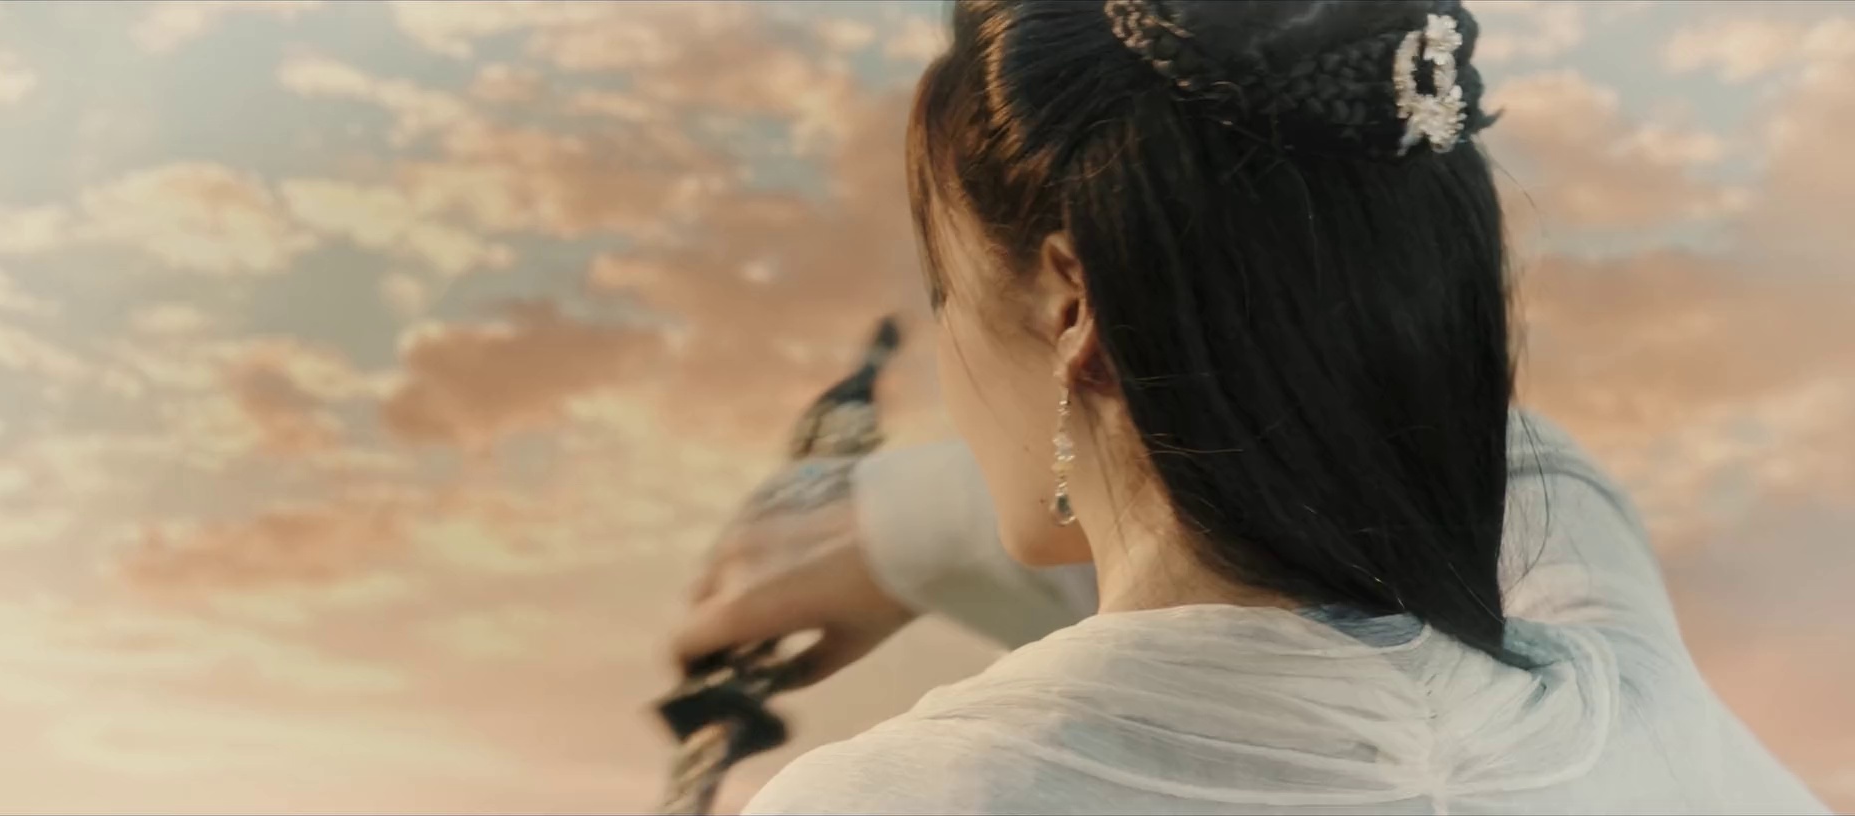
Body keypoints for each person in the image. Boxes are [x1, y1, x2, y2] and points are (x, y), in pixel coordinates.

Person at [673, 0, 1830, 813]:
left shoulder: (895, 800)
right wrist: (901, 527)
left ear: (1073, 306)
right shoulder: (1642, 709)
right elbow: (1523, 463)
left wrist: (890, 521)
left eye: (946, 293)